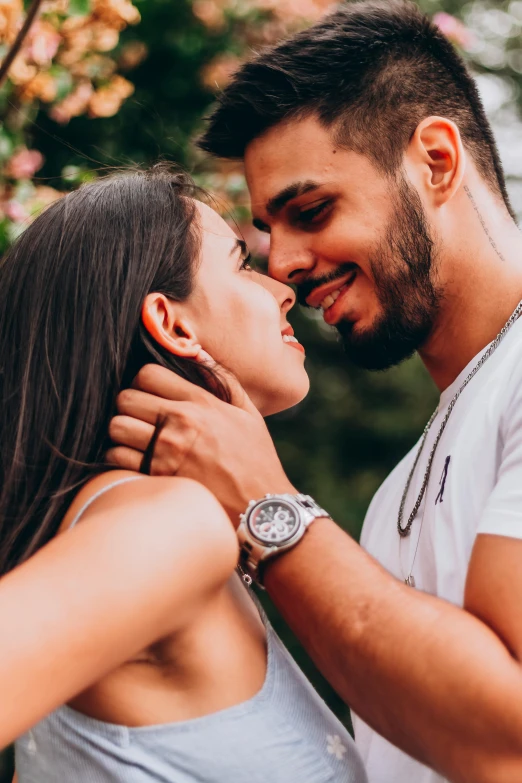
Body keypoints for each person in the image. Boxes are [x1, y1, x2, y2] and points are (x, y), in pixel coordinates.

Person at [107, 3, 522, 783]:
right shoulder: (406, 480)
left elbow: (509, 739)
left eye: (311, 211)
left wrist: (267, 502)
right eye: (267, 232)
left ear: (435, 160)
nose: (286, 265)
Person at [0, 165, 368, 783]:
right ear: (173, 324)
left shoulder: (151, 527)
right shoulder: (171, 524)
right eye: (242, 266)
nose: (282, 284)